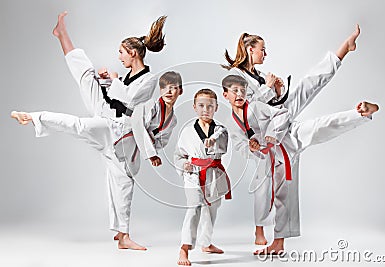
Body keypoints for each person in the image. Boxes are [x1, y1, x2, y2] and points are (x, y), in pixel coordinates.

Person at [224, 25, 367, 250]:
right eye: (262, 49)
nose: (265, 54)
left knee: (307, 90)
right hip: (266, 136)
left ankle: (345, 55)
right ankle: (268, 236)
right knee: (279, 186)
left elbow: (269, 104)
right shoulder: (236, 77)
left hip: (280, 125)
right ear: (250, 49)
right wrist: (270, 89)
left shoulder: (260, 76)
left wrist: (278, 91)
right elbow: (245, 111)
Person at [10, 71, 182, 250]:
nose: (169, 92)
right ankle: (33, 116)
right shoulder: (149, 106)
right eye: (165, 88)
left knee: (124, 188)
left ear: (180, 91)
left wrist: (152, 147)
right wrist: (150, 152)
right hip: (114, 131)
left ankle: (123, 235)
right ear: (160, 90)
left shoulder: (173, 120)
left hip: (127, 150)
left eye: (173, 88)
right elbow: (138, 125)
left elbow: (162, 141)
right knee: (79, 126)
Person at [51, 11, 167, 249]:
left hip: (120, 129)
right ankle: (62, 36)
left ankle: (123, 235)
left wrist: (114, 80)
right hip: (107, 112)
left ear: (133, 53)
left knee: (121, 181)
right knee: (87, 75)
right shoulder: (128, 75)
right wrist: (106, 80)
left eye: (122, 52)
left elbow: (131, 101)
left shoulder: (150, 78)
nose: (120, 56)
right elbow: (119, 94)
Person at [174, 89, 231, 266]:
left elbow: (221, 143)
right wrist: (184, 165)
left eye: (209, 106)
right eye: (201, 105)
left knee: (212, 209)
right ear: (194, 107)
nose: (205, 109)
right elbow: (178, 155)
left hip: (213, 173)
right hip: (193, 175)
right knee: (195, 207)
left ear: (216, 107)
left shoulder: (221, 130)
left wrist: (213, 140)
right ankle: (184, 247)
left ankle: (206, 243)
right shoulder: (187, 131)